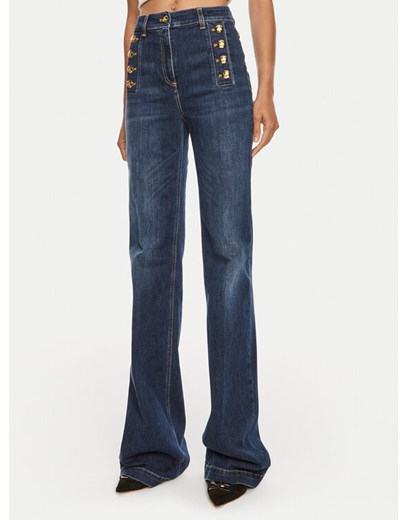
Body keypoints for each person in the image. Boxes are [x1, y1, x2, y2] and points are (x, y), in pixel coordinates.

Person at [115, 0, 278, 506]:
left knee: (229, 254)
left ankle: (234, 451)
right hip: (146, 65)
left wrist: (267, 88)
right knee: (150, 255)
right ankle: (153, 446)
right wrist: (126, 107)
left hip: (213, 52)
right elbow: (131, 14)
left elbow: (260, 2)